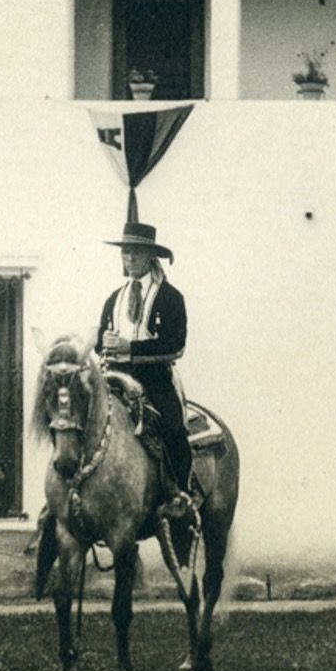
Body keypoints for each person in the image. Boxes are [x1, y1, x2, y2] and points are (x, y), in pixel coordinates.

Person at [96, 220, 195, 518]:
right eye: (125, 253)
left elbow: (176, 346)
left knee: (174, 428)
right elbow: (101, 342)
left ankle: (180, 494)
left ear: (151, 255)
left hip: (154, 380)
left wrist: (131, 348)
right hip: (114, 376)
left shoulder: (170, 297)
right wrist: (104, 344)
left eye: (136, 253)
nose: (129, 259)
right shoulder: (114, 298)